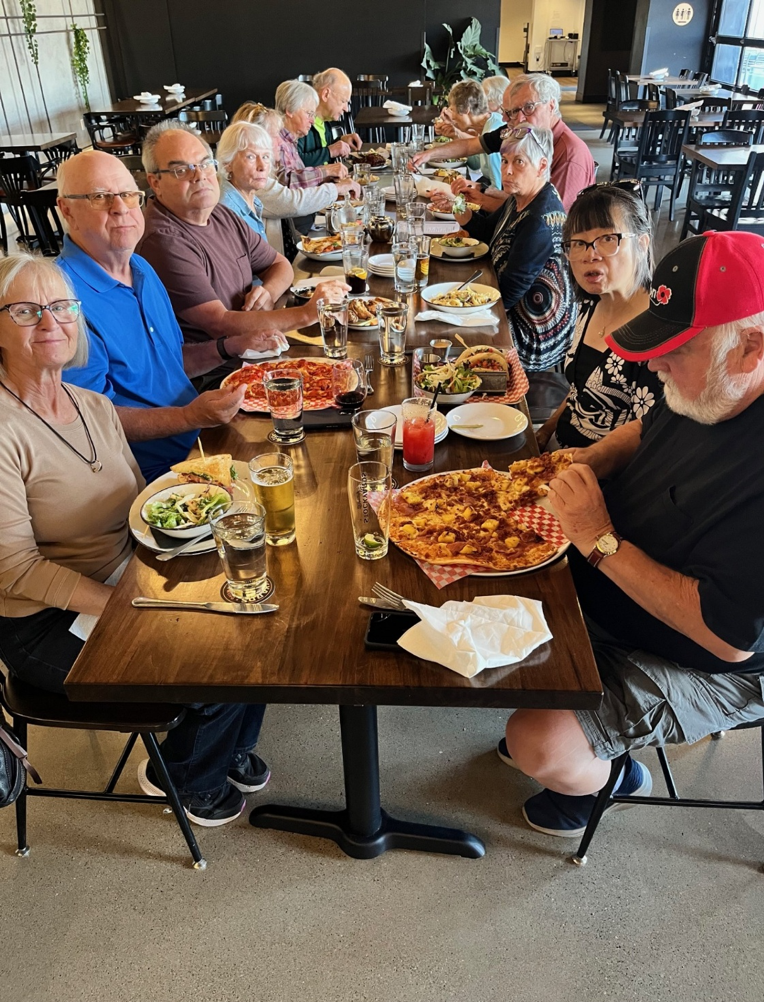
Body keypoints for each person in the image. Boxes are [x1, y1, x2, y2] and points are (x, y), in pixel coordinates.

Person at [501, 230, 764, 838]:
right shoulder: (718, 380)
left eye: (675, 350)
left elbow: (727, 641)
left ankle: (608, 778)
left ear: (750, 348)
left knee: (536, 741)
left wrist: (598, 540)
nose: (653, 364)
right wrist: (591, 459)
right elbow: (648, 428)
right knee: (491, 588)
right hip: (615, 574)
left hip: (709, 659)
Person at [0, 253, 269, 828]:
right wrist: (129, 609)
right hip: (41, 618)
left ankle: (224, 744)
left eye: (62, 306)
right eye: (25, 310)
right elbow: (15, 570)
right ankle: (185, 775)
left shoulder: (91, 405)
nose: (50, 322)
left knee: (257, 605)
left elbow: (138, 500)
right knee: (218, 660)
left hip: (124, 573)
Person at [56, 149, 270, 482]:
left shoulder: (139, 267)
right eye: (100, 197)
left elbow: (168, 362)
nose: (121, 208)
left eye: (128, 195)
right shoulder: (61, 302)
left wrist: (232, 345)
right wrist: (189, 416)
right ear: (66, 209)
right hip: (150, 477)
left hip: (201, 440)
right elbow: (92, 419)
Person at [137, 121, 348, 389]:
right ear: (155, 182)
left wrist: (268, 292)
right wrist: (307, 313)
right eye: (181, 170)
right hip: (213, 377)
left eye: (204, 164)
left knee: (349, 371)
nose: (199, 176)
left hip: (255, 351)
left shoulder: (218, 212)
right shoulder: (163, 240)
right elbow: (220, 323)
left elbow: (278, 264)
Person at [432, 126, 575, 372]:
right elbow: (487, 233)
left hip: (529, 335)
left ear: (542, 166)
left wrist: (457, 304)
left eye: (519, 162)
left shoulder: (539, 218)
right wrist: (458, 207)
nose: (507, 170)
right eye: (505, 160)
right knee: (436, 311)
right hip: (506, 308)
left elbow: (508, 295)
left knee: (438, 330)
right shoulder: (520, 198)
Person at [536, 182, 663, 450]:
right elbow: (578, 390)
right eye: (578, 243)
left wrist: (577, 466)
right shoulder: (590, 306)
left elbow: (650, 435)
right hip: (559, 454)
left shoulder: (658, 331)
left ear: (641, 243)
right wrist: (544, 432)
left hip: (608, 480)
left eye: (607, 239)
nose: (589, 255)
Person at [412, 73, 596, 212]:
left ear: (551, 106)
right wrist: (427, 155)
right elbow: (471, 145)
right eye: (511, 112)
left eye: (529, 108)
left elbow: (550, 218)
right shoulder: (521, 134)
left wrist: (481, 197)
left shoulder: (570, 153)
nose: (520, 118)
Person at [218, 113, 360, 254]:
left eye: (265, 156)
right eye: (274, 136)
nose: (281, 142)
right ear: (228, 163)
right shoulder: (244, 190)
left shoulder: (254, 183)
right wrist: (336, 188)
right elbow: (293, 201)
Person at [274, 80, 349, 193]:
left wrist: (328, 177)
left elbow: (299, 174)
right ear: (290, 110)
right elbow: (287, 183)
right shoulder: (277, 141)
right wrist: (326, 171)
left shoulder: (290, 141)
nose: (313, 121)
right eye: (309, 114)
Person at [435, 79, 503, 190]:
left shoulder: (491, 132)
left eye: (452, 110)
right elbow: (475, 164)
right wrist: (454, 135)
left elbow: (498, 188)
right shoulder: (490, 121)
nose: (452, 117)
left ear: (466, 109)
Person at [297, 68, 362, 166]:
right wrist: (330, 151)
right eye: (343, 101)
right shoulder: (300, 122)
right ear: (325, 94)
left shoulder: (325, 122)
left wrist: (341, 140)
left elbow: (320, 149)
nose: (346, 109)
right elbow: (296, 163)